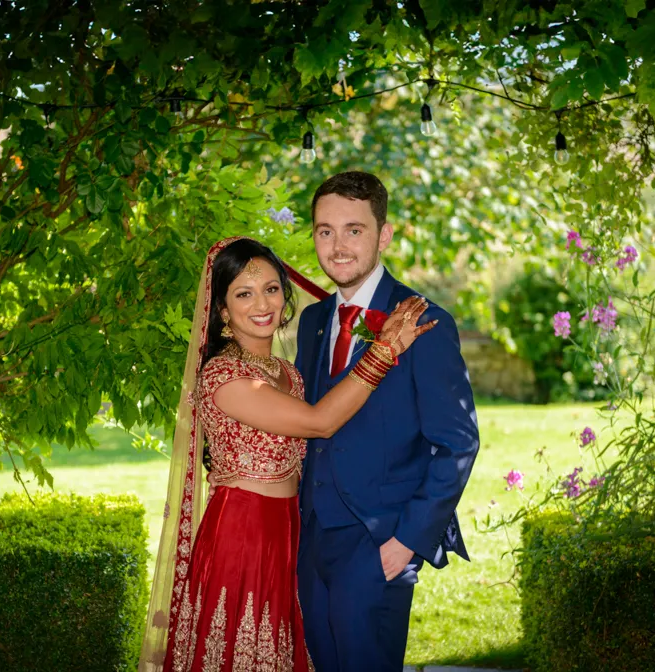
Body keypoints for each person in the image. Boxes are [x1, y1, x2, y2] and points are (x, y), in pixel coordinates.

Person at [138, 236, 435, 672]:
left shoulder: (287, 373)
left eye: (271, 289)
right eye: (243, 293)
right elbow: (320, 422)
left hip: (291, 529)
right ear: (222, 310)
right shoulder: (224, 377)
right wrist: (385, 349)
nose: (262, 303)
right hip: (242, 533)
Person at [295, 171, 480, 671]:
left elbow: (459, 442)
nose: (337, 246)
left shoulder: (423, 321)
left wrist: (406, 543)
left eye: (354, 229)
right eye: (324, 231)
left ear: (385, 235)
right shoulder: (313, 323)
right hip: (311, 545)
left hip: (377, 545)